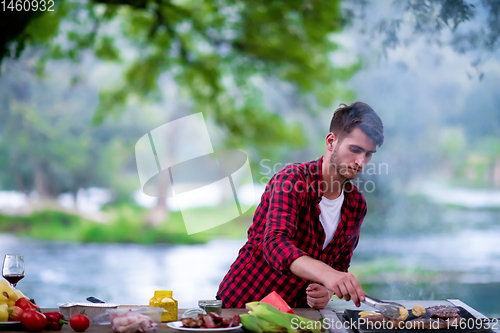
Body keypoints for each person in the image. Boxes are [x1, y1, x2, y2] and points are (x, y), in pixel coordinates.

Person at [216, 101, 384, 309]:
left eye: (368, 154)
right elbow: (275, 244)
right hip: (242, 307)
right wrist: (327, 274)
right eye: (355, 149)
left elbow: (339, 264)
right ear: (331, 142)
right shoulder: (291, 181)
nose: (361, 161)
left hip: (298, 315)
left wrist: (328, 289)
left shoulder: (356, 204)